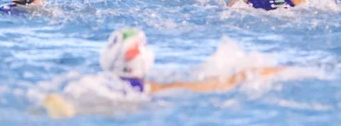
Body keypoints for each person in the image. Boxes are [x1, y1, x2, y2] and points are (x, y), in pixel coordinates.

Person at [43, 27, 283, 118]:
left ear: (107, 57)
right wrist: (264, 71)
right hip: (138, 104)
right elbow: (221, 83)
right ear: (146, 60)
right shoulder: (156, 89)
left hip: (89, 100)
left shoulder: (90, 81)